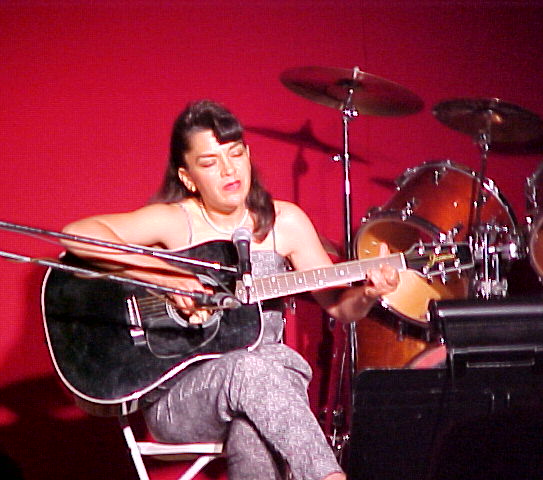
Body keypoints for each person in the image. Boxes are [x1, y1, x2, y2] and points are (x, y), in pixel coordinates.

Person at [62, 100, 399, 480]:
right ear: (188, 177)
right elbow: (77, 235)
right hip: (183, 398)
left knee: (256, 419)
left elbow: (339, 307)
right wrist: (167, 278)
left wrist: (368, 294)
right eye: (209, 163)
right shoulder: (175, 221)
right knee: (252, 368)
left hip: (268, 391)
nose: (228, 169)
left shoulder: (285, 222)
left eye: (236, 154)